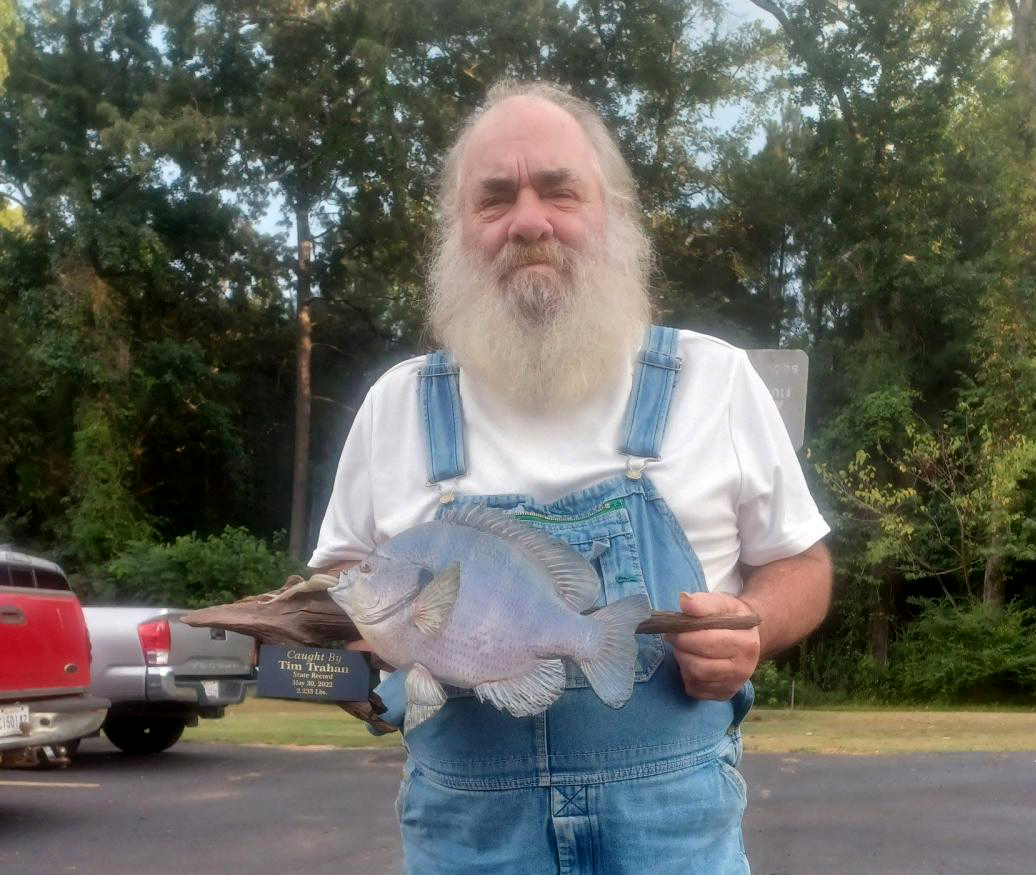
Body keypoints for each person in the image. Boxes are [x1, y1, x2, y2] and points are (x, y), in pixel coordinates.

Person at [308, 80, 833, 875]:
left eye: (559, 190)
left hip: (674, 843)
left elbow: (804, 564)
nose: (528, 222)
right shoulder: (397, 406)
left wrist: (752, 626)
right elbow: (341, 580)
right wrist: (352, 663)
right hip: (469, 847)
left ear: (612, 214)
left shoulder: (715, 380)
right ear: (458, 229)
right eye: (494, 199)